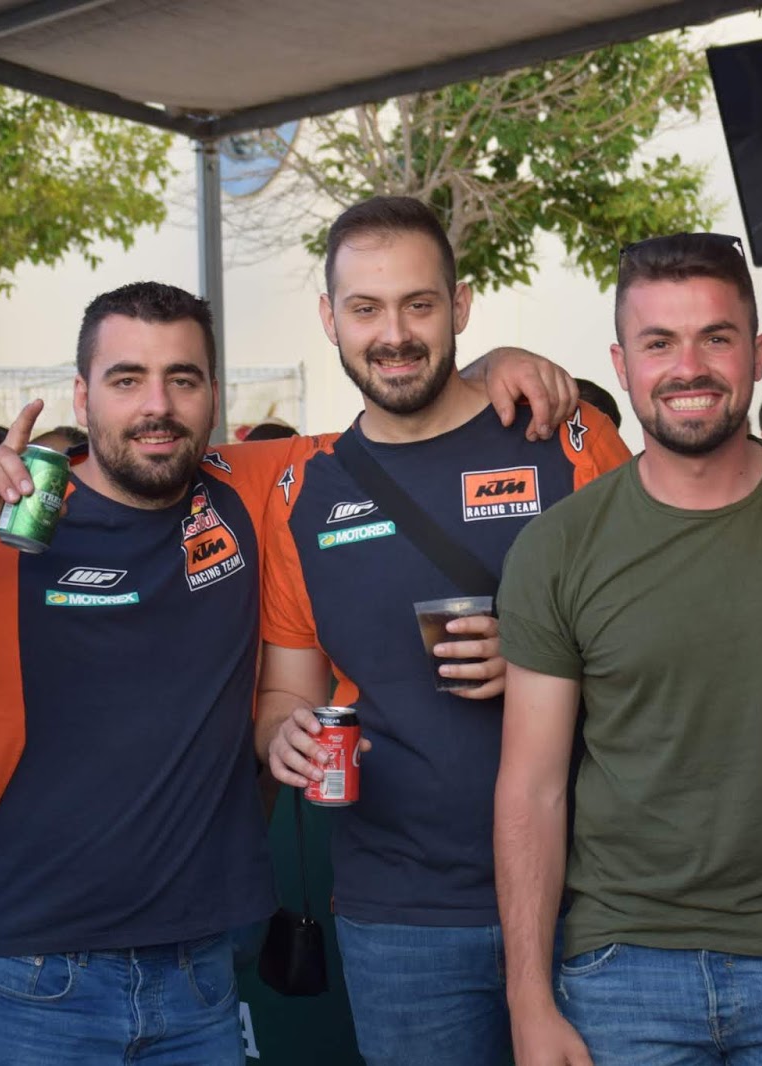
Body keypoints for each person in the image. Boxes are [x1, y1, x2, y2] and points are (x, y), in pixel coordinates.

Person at [0, 280, 574, 1063]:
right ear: (82, 394)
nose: (157, 406)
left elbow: (406, 407)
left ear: (215, 392)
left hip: (200, 978)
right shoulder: (10, 520)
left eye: (182, 379)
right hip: (35, 976)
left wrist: (490, 364)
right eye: (126, 380)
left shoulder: (255, 485)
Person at [495, 232, 762, 1066]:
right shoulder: (559, 546)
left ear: (758, 352)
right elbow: (531, 789)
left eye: (716, 336)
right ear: (621, 363)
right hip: (622, 961)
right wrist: (528, 998)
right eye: (659, 343)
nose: (689, 367)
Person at [256, 196, 629, 1066]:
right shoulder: (302, 494)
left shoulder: (566, 439)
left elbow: (671, 637)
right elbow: (285, 692)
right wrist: (283, 736)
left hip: (598, 893)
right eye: (365, 309)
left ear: (460, 307)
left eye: (418, 304)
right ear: (330, 320)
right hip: (400, 918)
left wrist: (546, 656)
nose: (394, 335)